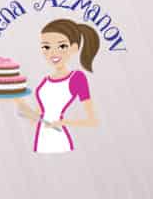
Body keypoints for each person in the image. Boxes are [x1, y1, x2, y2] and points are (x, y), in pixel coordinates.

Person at [14, 19, 100, 153]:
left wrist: (63, 123)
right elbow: (38, 116)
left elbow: (91, 120)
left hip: (58, 136)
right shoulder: (45, 81)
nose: (53, 53)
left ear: (74, 48)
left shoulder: (77, 78)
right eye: (46, 47)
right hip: (41, 137)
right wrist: (18, 100)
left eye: (61, 46)